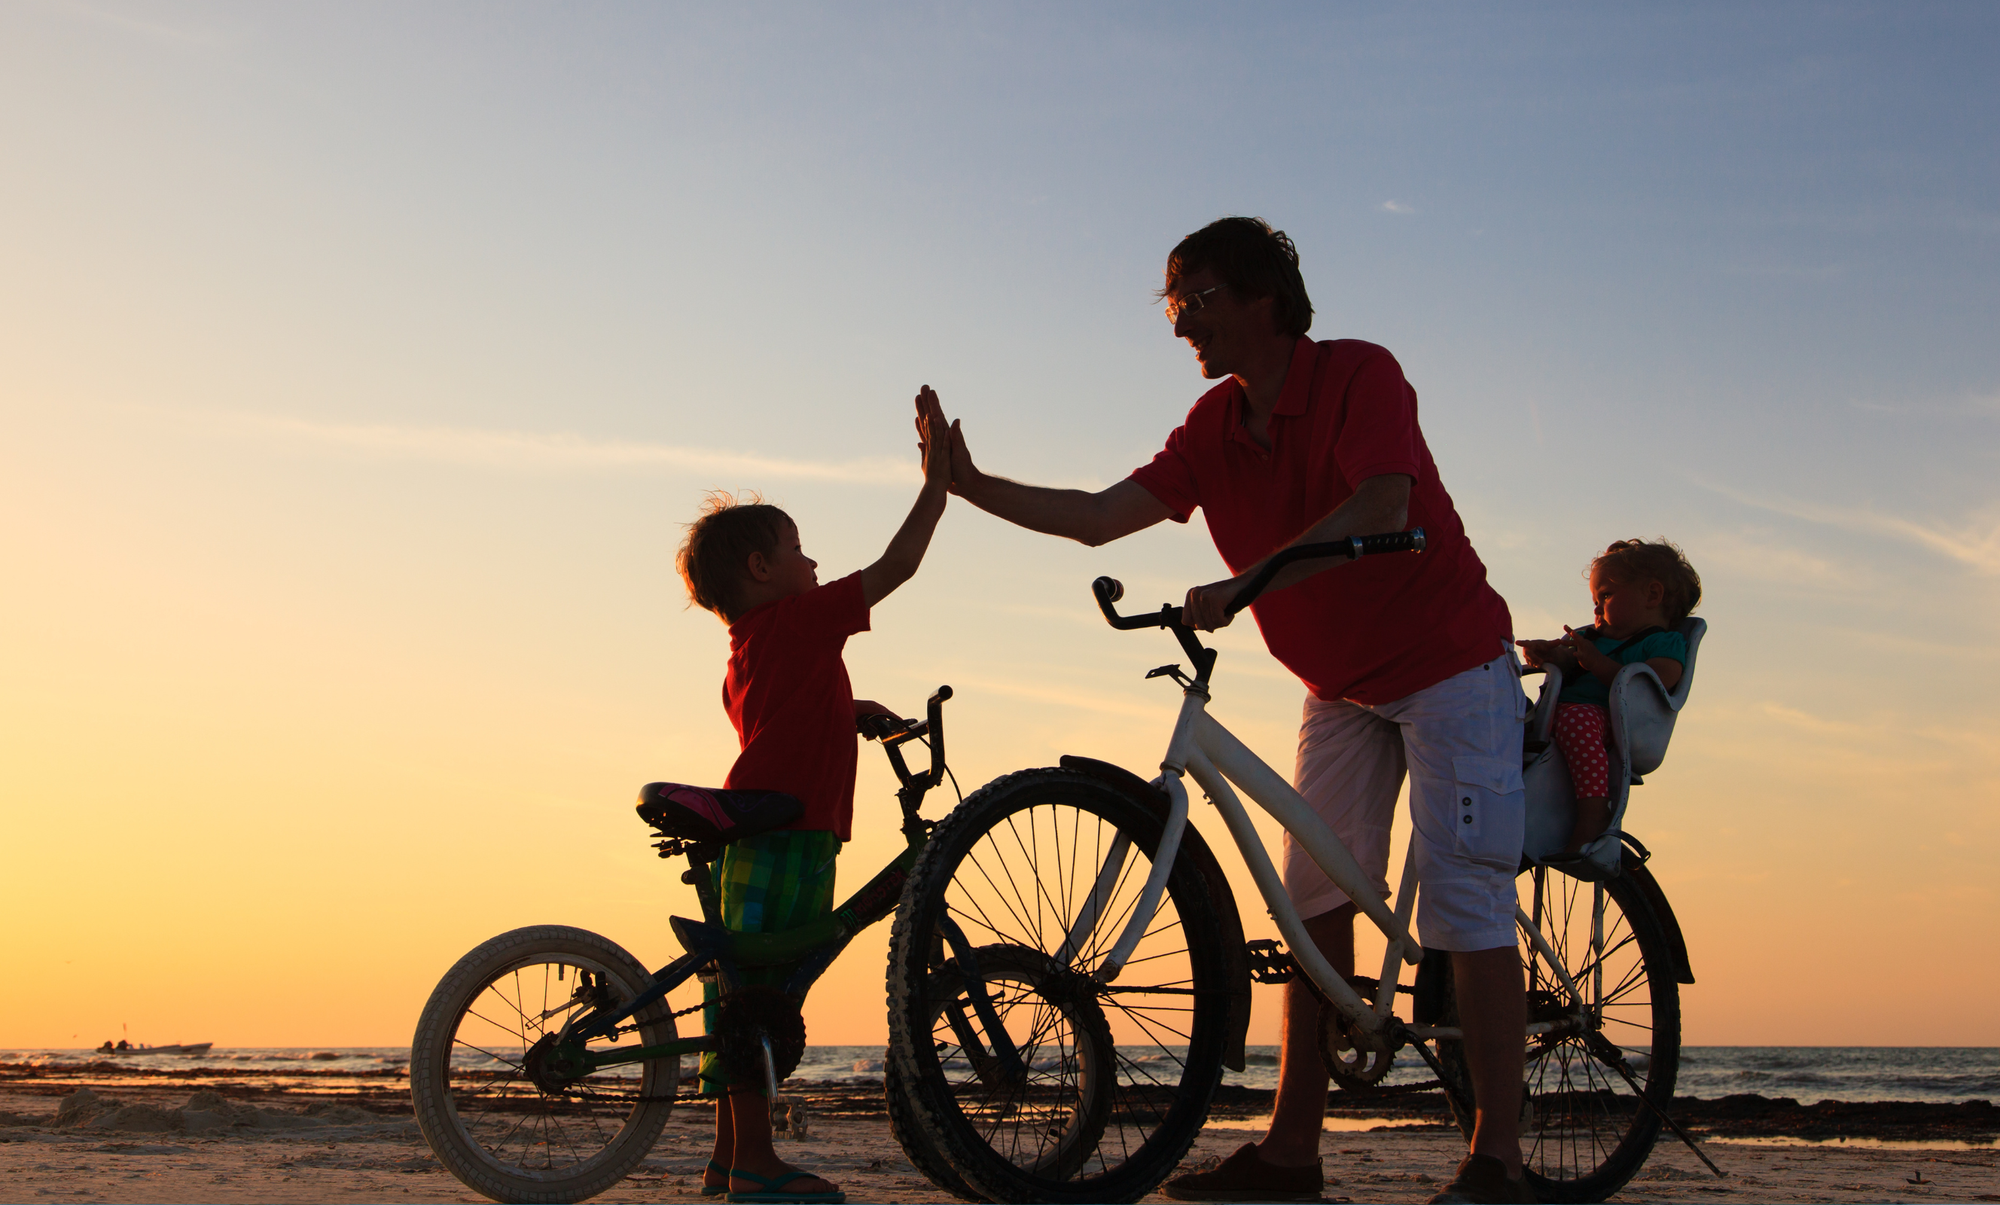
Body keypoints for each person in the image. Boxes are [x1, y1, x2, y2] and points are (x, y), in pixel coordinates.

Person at [918, 217, 1533, 1205]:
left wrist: (1250, 578)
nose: (1179, 325)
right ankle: (1290, 1153)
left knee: (1464, 899)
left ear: (1263, 296)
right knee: (1310, 908)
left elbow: (1381, 503)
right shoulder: (1212, 426)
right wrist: (971, 484)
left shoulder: (1358, 374)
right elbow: (1098, 516)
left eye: (1196, 300)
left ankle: (1496, 1157)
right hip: (1339, 687)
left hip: (1448, 665)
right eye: (1171, 306)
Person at [674, 389, 953, 1205]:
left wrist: (853, 709)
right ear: (762, 571)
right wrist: (937, 486)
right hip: (790, 835)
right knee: (761, 1001)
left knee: (742, 993)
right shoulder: (799, 621)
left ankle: (730, 1156)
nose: (815, 562)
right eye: (799, 549)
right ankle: (758, 1163)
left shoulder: (751, 648)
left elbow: (787, 718)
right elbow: (897, 567)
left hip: (765, 835)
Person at [1516, 539, 1701, 854]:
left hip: (1607, 722)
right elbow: (1566, 661)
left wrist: (1596, 663)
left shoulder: (1663, 644)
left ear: (1652, 595)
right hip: (1555, 716)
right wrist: (1546, 654)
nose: (1596, 608)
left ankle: (1594, 812)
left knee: (1576, 720)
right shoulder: (1590, 637)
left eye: (1606, 595)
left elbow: (1652, 685)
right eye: (1595, 599)